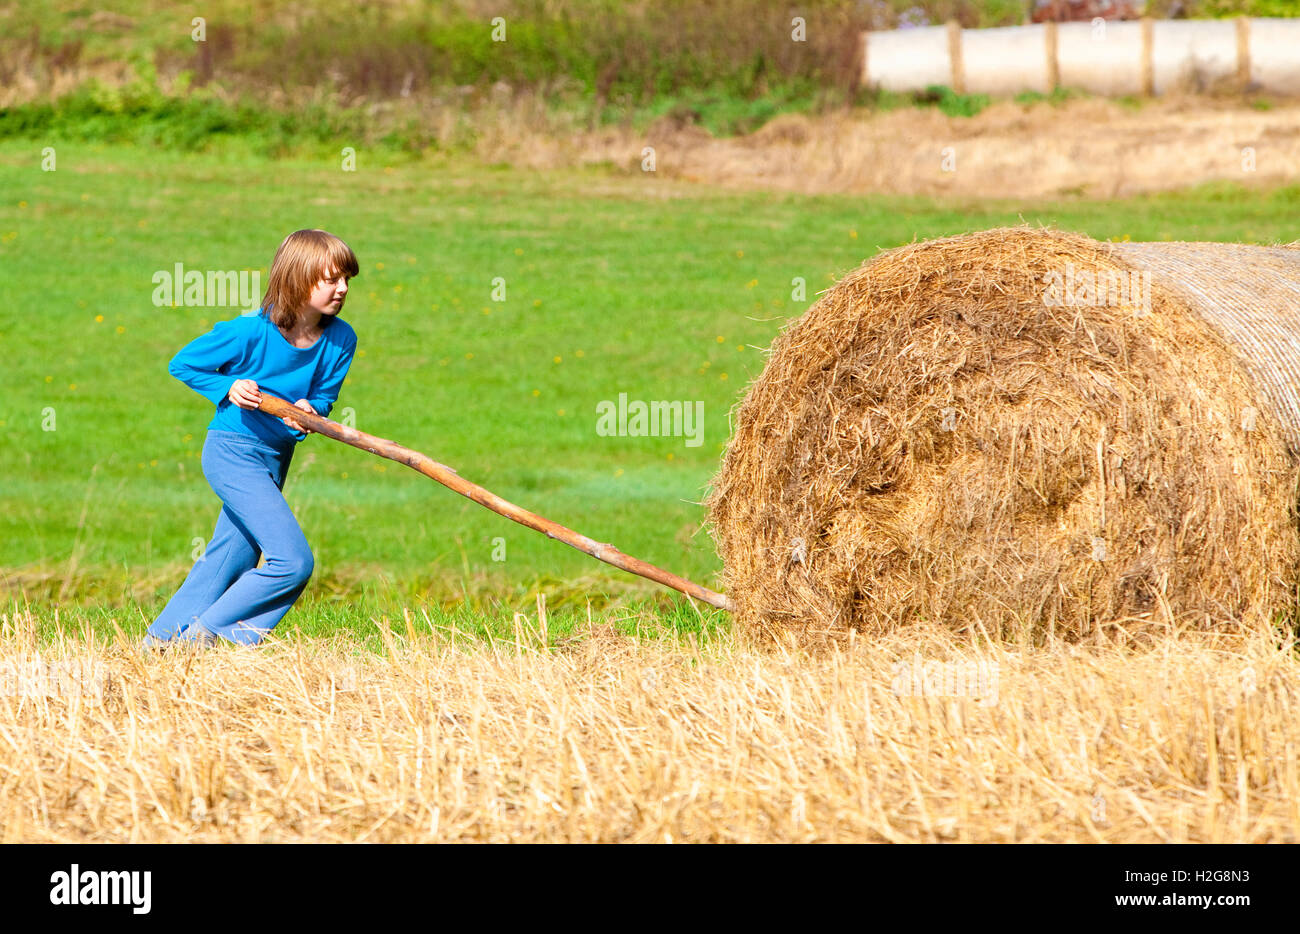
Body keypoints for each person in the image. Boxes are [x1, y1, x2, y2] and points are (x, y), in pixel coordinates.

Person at [144, 229, 360, 648]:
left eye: (347, 279)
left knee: (232, 555)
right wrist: (226, 388)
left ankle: (159, 645)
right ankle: (208, 640)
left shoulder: (341, 340)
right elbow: (183, 363)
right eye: (331, 279)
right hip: (231, 453)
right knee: (292, 562)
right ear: (298, 278)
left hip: (274, 459)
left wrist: (310, 412)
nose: (343, 289)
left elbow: (323, 399)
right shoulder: (248, 332)